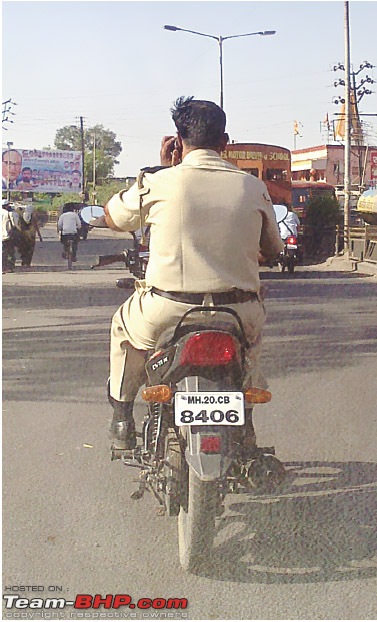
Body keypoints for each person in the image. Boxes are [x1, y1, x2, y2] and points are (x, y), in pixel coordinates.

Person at [104, 96, 284, 451]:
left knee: (123, 328)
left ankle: (123, 416)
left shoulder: (160, 182)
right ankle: (244, 423)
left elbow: (113, 218)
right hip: (238, 313)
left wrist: (161, 169)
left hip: (167, 311)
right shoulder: (253, 187)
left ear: (178, 139)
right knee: (251, 348)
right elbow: (275, 250)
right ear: (225, 142)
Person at [2, 200, 19, 272]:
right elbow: (15, 225)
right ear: (6, 206)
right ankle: (9, 267)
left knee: (2, 252)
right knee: (10, 252)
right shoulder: (10, 214)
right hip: (7, 236)